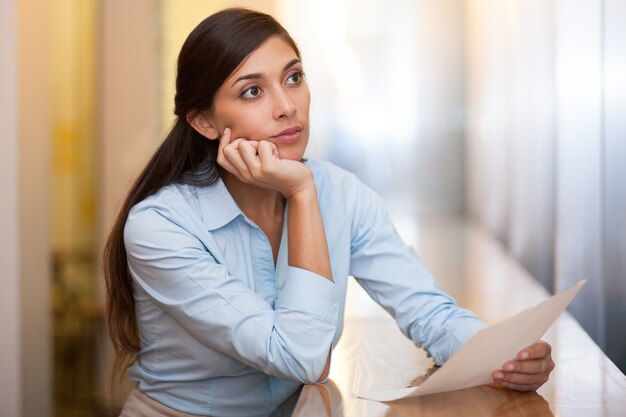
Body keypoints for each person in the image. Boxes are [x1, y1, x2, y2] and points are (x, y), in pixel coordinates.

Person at [104, 7, 555, 417]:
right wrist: (302, 194)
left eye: (294, 77)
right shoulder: (160, 226)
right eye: (253, 91)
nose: (286, 106)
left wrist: (502, 356)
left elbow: (427, 311)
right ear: (204, 122)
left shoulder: (342, 193)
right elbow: (301, 357)